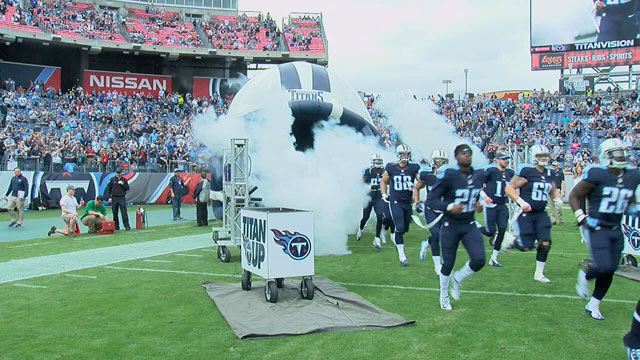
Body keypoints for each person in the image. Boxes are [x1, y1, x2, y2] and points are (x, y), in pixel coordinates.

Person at [571, 139, 640, 320]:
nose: (621, 156)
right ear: (606, 155)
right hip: (597, 226)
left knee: (611, 269)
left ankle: (594, 304)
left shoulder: (633, 175)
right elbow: (575, 195)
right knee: (603, 265)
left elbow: (631, 200)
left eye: (622, 152)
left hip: (616, 228)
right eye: (616, 153)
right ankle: (585, 277)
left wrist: (634, 208)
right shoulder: (596, 174)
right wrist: (580, 217)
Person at [427, 144, 486, 311]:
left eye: (468, 154)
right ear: (456, 157)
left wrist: (477, 205)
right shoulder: (449, 175)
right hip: (450, 224)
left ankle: (458, 278)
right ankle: (443, 295)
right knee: (448, 263)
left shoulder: (478, 175)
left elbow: (474, 195)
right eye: (462, 154)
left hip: (468, 223)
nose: (466, 156)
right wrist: (449, 206)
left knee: (479, 259)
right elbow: (432, 200)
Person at [505, 145, 562, 284]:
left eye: (544, 155)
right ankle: (510, 241)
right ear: (533, 157)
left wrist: (557, 198)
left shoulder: (549, 172)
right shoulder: (527, 171)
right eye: (540, 155)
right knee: (526, 246)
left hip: (541, 213)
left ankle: (539, 273)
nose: (543, 158)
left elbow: (552, 188)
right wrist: (520, 201)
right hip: (526, 214)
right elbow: (509, 188)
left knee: (546, 242)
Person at [380, 144, 420, 266]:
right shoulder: (391, 167)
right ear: (398, 154)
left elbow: (420, 182)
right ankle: (402, 256)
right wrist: (384, 193)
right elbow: (383, 180)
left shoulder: (414, 167)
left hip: (407, 202)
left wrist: (416, 195)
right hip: (395, 201)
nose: (405, 156)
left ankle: (396, 239)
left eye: (407, 154)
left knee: (405, 228)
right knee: (400, 227)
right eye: (403, 154)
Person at [413, 148, 449, 275]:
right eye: (439, 161)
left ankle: (425, 244)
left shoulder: (450, 175)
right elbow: (417, 188)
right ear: (433, 162)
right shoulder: (426, 174)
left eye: (443, 161)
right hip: (431, 209)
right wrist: (416, 202)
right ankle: (437, 266)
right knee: (435, 235)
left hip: (444, 210)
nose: (441, 163)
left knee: (443, 235)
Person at [479, 150, 514, 267]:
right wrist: (484, 196)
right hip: (490, 205)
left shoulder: (510, 172)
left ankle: (493, 258)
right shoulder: (491, 171)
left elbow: (514, 185)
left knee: (503, 230)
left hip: (502, 205)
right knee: (490, 232)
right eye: (503, 159)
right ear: (497, 160)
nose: (506, 161)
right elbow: (477, 183)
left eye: (507, 159)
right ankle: (475, 226)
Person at [356, 153, 386, 249]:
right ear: (372, 162)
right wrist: (370, 187)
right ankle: (360, 230)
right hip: (369, 196)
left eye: (379, 161)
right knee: (365, 217)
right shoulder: (367, 171)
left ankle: (377, 239)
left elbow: (387, 182)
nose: (378, 162)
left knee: (380, 216)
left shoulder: (384, 171)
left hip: (379, 196)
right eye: (376, 161)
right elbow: (361, 184)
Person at [548, 161, 566, 225]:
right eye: (552, 165)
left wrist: (563, 190)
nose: (553, 167)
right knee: (551, 206)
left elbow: (563, 182)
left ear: (557, 166)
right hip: (550, 189)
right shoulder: (549, 173)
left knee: (558, 206)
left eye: (554, 165)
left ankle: (560, 220)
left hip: (557, 189)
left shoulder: (560, 173)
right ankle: (553, 220)